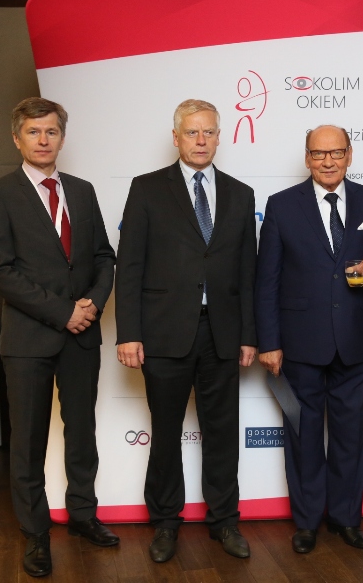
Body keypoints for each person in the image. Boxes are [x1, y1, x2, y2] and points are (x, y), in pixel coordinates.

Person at [0, 97, 118, 577]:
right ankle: (35, 532)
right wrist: (64, 313)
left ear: (62, 137)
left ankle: (83, 515)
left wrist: (92, 304)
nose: (43, 140)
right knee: (28, 440)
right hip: (28, 340)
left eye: (51, 131)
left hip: (82, 336)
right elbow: (0, 270)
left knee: (82, 433)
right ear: (17, 139)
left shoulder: (81, 190)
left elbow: (103, 256)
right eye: (34, 132)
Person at [115, 99, 257, 563]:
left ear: (219, 137)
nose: (201, 140)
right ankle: (165, 522)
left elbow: (248, 273)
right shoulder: (147, 188)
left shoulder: (240, 194)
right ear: (176, 137)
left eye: (209, 132)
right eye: (192, 132)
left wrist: (249, 334)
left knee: (223, 432)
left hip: (222, 333)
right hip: (163, 332)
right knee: (166, 431)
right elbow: (129, 265)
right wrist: (128, 332)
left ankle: (224, 520)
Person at [255, 125, 363, 554]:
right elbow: (267, 280)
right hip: (298, 345)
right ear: (307, 158)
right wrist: (269, 342)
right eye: (319, 154)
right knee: (302, 435)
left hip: (355, 341)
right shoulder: (281, 205)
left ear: (350, 155)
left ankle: (346, 518)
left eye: (336, 153)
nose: (328, 161)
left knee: (350, 436)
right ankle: (307, 521)